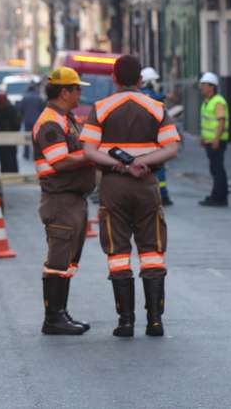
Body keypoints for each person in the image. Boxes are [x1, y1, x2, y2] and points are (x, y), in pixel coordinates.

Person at [80, 55, 180, 337]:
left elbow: (89, 150)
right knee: (152, 252)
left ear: (114, 78)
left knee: (118, 253)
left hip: (114, 185)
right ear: (139, 79)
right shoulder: (157, 107)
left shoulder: (100, 108)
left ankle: (125, 322)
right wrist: (144, 162)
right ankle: (155, 321)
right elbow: (171, 148)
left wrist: (121, 164)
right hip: (147, 184)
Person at [32, 67, 95, 335]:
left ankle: (61, 313)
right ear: (65, 91)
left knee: (67, 261)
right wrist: (92, 156)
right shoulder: (50, 122)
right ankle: (53, 318)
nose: (80, 93)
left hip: (72, 199)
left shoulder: (65, 118)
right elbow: (60, 160)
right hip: (60, 199)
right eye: (77, 88)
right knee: (58, 260)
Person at [140, 67, 174, 206]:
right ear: (150, 82)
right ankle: (162, 195)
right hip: (155, 137)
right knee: (159, 167)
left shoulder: (138, 95)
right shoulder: (152, 96)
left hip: (142, 138)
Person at [198, 71, 229, 207]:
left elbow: (221, 122)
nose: (202, 88)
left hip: (217, 141)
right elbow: (207, 123)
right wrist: (203, 137)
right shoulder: (207, 102)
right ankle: (216, 195)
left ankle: (220, 197)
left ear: (212, 87)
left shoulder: (218, 102)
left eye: (204, 85)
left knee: (218, 169)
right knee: (214, 169)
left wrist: (216, 139)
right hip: (209, 142)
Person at [0, 91, 20, 173]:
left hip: (6, 137)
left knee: (7, 155)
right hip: (5, 137)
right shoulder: (8, 109)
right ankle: (11, 172)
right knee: (8, 156)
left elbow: (16, 123)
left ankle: (9, 172)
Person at [20, 82, 45, 160]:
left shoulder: (25, 97)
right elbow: (42, 109)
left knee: (27, 137)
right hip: (36, 121)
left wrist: (23, 117)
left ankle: (26, 154)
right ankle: (36, 154)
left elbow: (21, 109)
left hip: (27, 120)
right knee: (36, 138)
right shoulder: (38, 97)